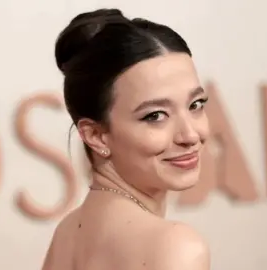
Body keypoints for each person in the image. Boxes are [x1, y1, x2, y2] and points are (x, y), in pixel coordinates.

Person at [42, 8, 211, 270]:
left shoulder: (68, 233)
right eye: (155, 115)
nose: (190, 135)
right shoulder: (176, 245)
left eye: (196, 104)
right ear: (96, 136)